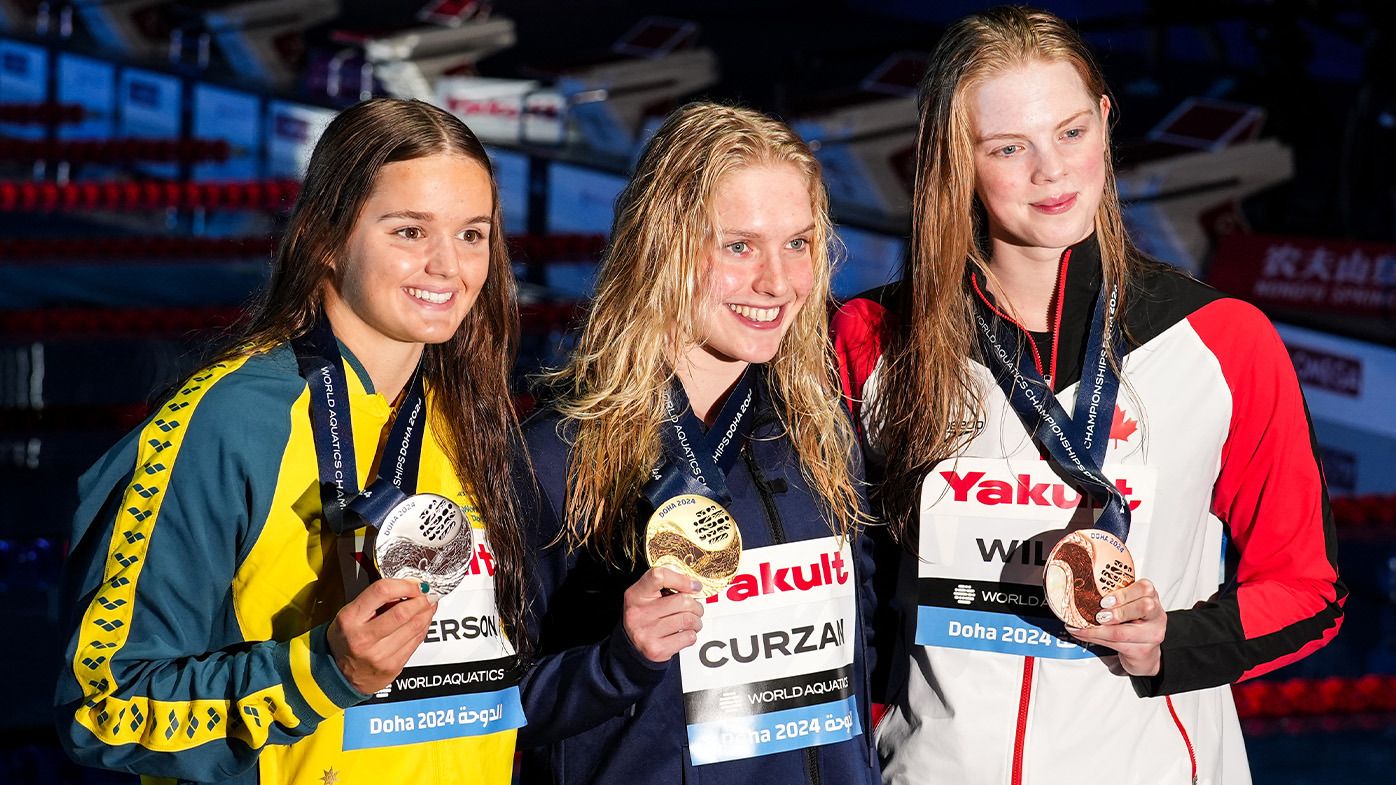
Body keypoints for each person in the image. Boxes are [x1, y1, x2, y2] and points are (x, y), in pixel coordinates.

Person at [831, 7, 1344, 784]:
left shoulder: (1221, 341)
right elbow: (845, 585)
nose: (1052, 171)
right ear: (954, 162)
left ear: (1106, 121)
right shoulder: (871, 338)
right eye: (1009, 147)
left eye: (1071, 132)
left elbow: (1310, 585)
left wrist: (1174, 639)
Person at [55, 98, 530, 785]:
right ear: (327, 238)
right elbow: (102, 704)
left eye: (472, 234)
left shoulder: (470, 423)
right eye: (409, 231)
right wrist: (320, 672)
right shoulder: (228, 422)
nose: (446, 267)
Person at [514, 102, 880, 784]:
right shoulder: (557, 456)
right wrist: (614, 661)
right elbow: (488, 705)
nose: (777, 282)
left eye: (797, 243)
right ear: (663, 247)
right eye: (739, 246)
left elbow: (857, 662)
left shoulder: (820, 437)